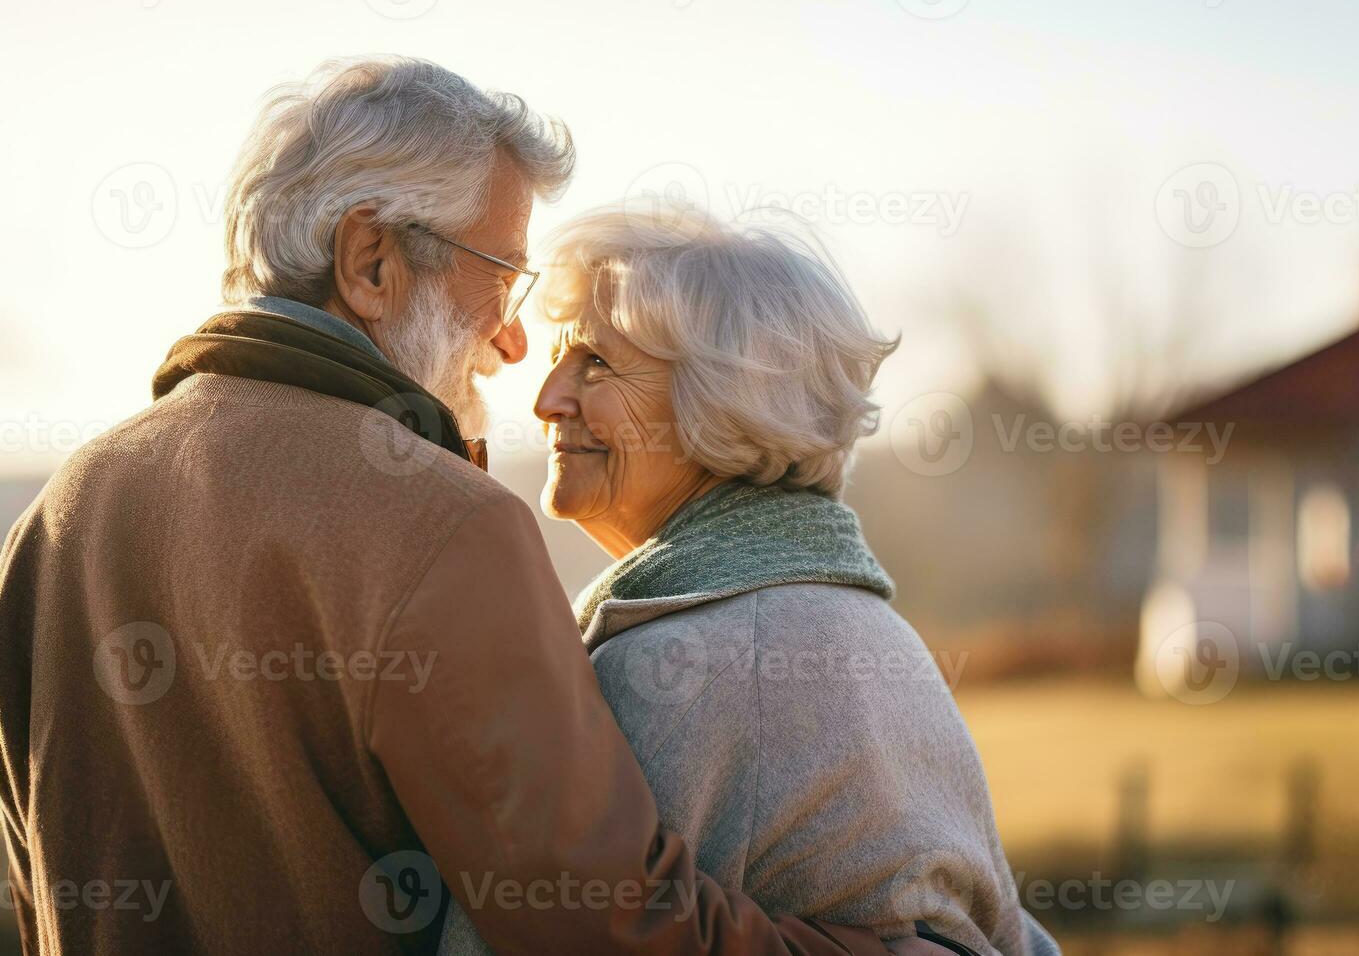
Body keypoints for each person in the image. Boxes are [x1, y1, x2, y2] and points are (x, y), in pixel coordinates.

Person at [0, 55, 897, 955]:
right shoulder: (441, 524)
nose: (514, 341)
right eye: (502, 275)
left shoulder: (55, 518)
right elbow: (602, 933)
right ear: (372, 261)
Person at [438, 205, 1054, 956]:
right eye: (558, 361)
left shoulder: (681, 665)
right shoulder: (878, 633)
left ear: (726, 403)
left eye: (595, 362)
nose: (546, 400)